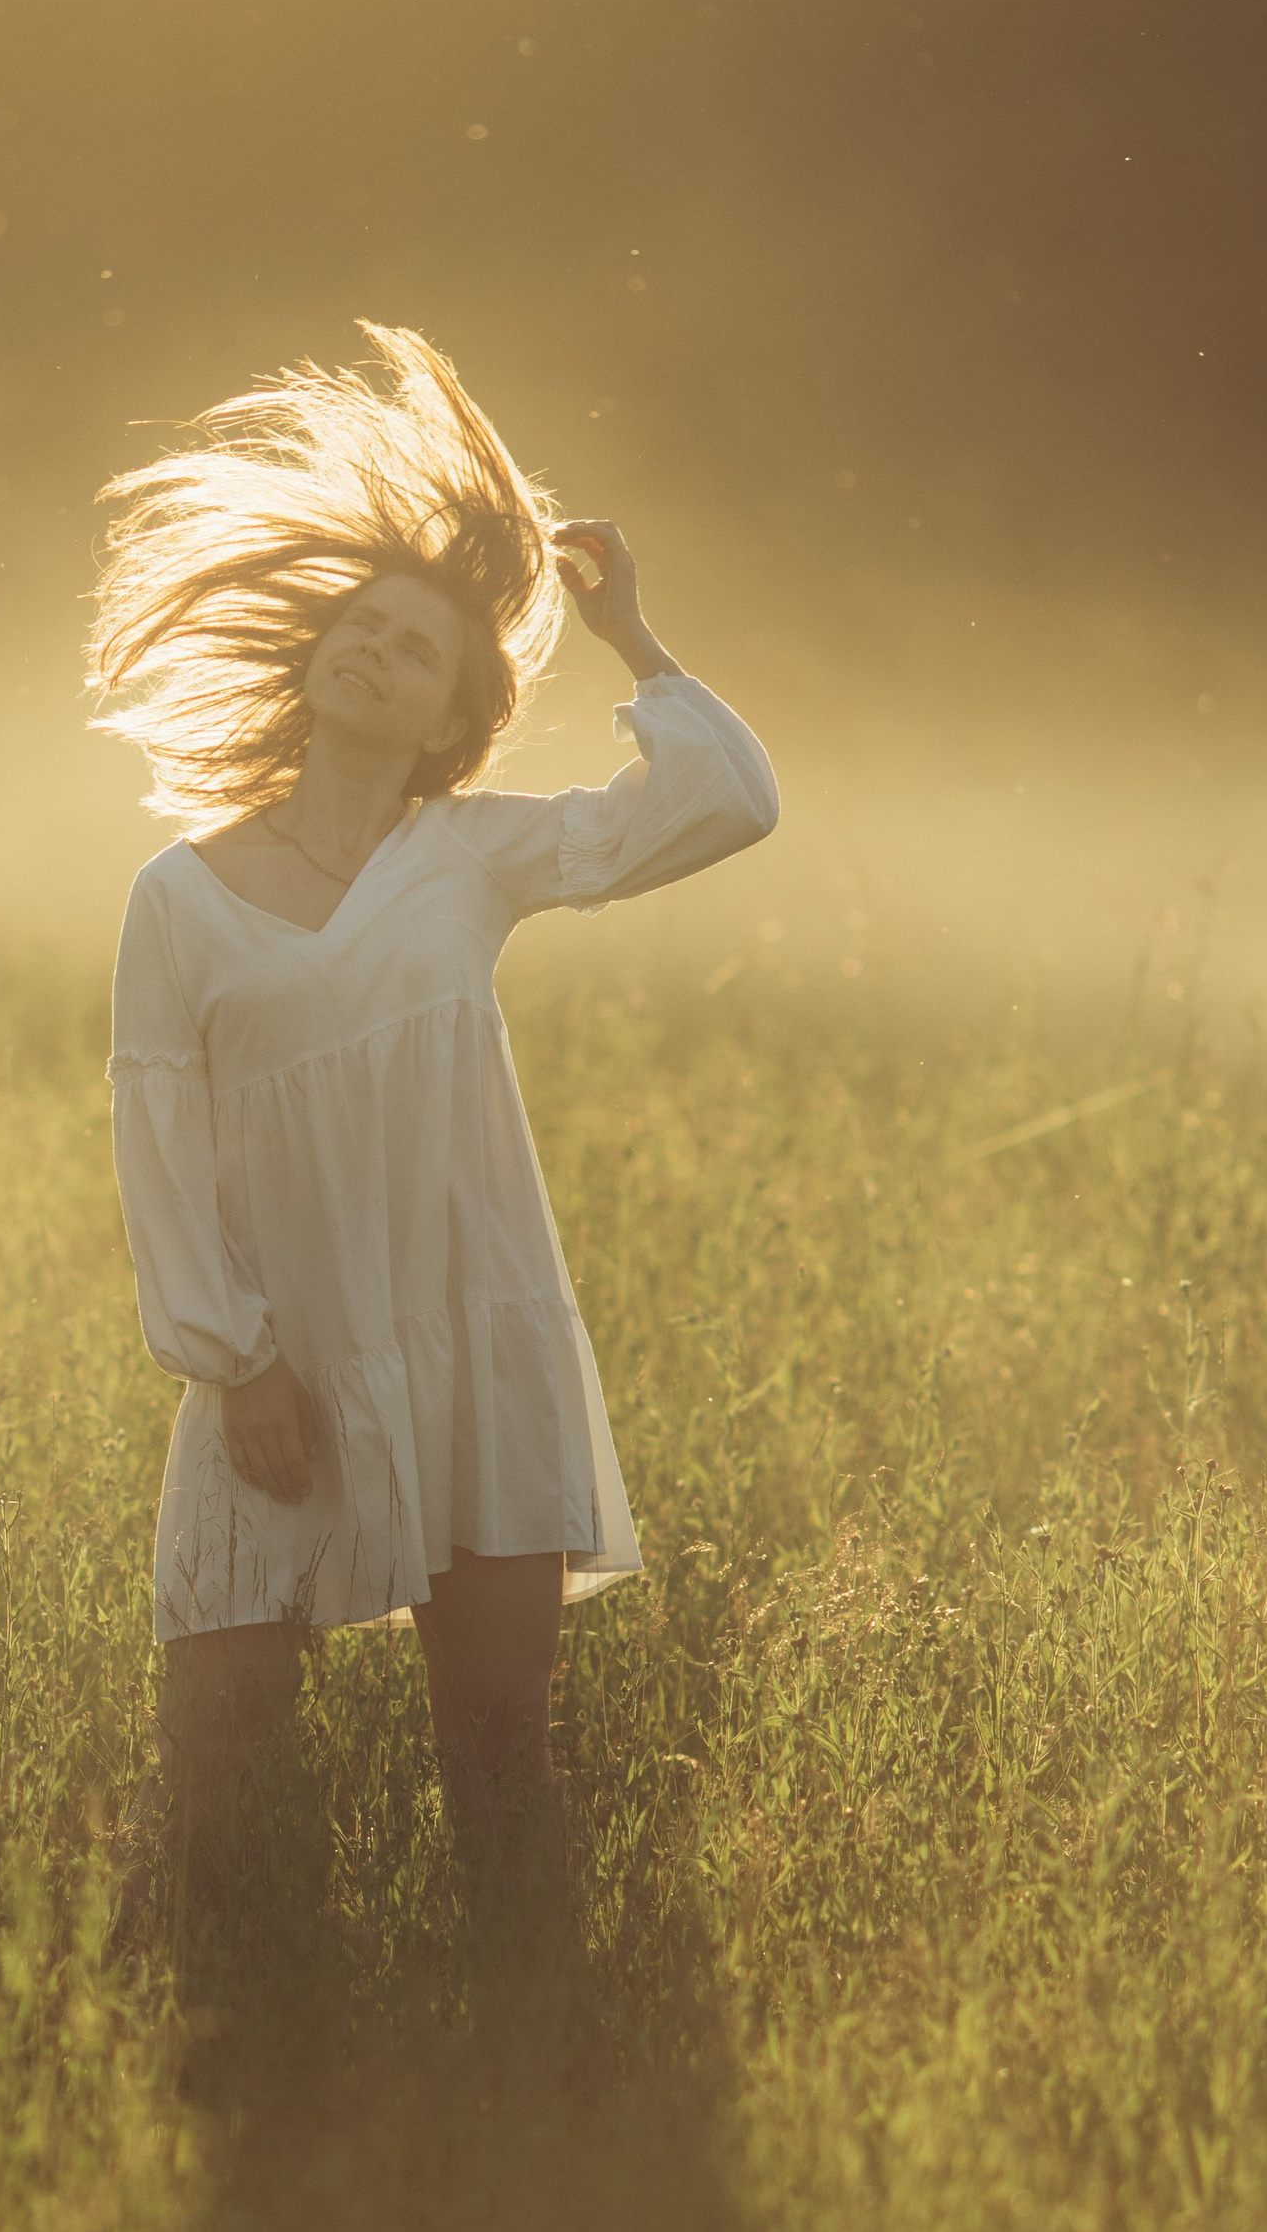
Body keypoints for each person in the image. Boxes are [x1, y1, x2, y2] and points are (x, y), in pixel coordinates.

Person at [92, 323, 778, 1982]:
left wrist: (630, 636)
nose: (377, 652)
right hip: (279, 1364)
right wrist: (238, 1359)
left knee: (497, 1757)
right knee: (219, 1765)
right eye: (363, 626)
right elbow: (156, 1140)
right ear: (317, 653)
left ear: (454, 717)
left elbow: (728, 803)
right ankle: (206, 2032)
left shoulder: (471, 857)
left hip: (477, 1348)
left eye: (417, 651)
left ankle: (531, 2046)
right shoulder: (178, 897)